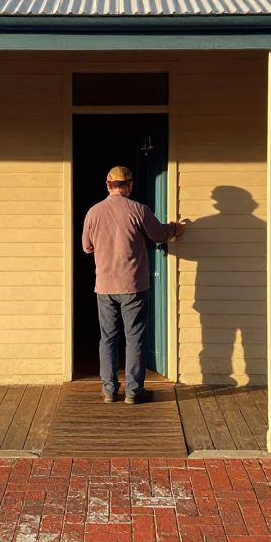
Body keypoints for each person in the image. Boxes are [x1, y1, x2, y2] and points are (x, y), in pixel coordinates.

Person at [81, 166, 185, 404]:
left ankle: (109, 390)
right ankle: (133, 391)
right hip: (133, 285)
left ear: (108, 184)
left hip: (105, 285)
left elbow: (87, 248)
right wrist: (175, 228)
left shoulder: (93, 212)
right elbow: (159, 235)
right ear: (129, 185)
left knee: (107, 337)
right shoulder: (138, 210)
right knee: (134, 337)